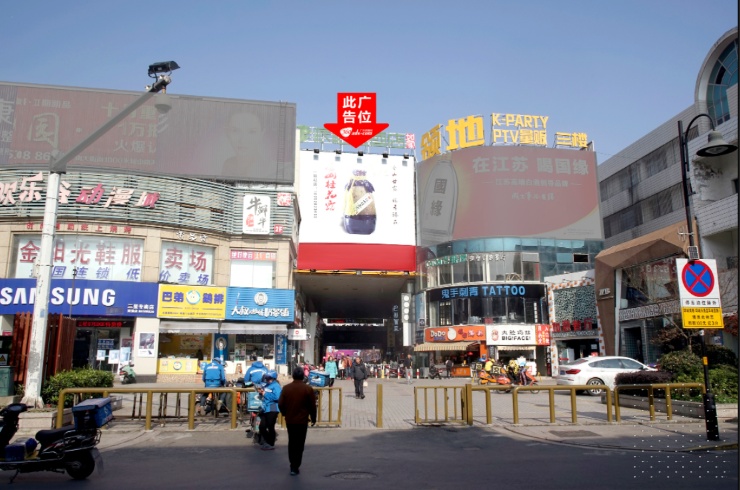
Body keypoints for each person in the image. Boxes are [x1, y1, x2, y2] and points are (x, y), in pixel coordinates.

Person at [278, 367, 317, 476]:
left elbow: (280, 404)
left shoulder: (286, 388)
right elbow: (312, 406)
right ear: (303, 376)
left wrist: (285, 413)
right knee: (300, 443)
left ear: (293, 376)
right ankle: (296, 465)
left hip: (290, 420)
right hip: (302, 421)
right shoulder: (308, 389)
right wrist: (313, 418)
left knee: (292, 442)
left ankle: (292, 465)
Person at [257, 370, 281, 451]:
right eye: (266, 378)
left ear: (273, 378)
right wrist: (261, 392)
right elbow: (264, 394)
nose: (267, 379)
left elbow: (278, 397)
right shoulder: (267, 385)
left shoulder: (276, 386)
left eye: (269, 378)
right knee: (262, 426)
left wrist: (265, 394)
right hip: (265, 407)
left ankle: (270, 443)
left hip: (273, 406)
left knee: (270, 426)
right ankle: (267, 441)